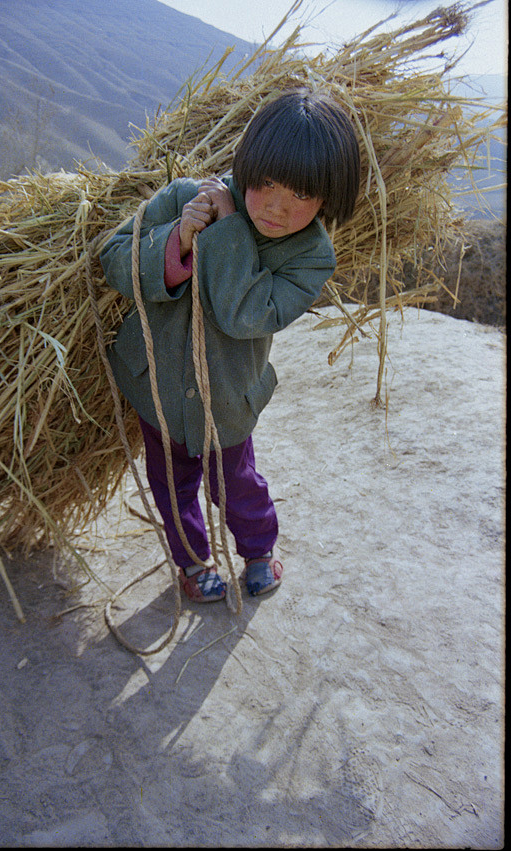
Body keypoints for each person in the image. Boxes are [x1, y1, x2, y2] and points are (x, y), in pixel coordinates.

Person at [100, 89, 360, 603]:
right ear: (247, 164)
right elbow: (113, 258)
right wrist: (177, 236)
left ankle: (258, 550)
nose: (277, 208)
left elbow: (247, 316)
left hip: (229, 400)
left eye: (300, 196)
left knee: (236, 484)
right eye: (264, 184)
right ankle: (193, 564)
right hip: (159, 392)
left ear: (329, 197)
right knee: (172, 488)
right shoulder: (185, 197)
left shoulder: (309, 256)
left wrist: (227, 231)